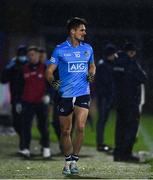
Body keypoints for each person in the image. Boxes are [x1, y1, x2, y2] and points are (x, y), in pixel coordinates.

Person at [46, 17, 96, 175]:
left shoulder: (88, 48)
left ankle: (74, 161)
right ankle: (67, 161)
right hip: (65, 95)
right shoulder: (60, 49)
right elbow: (49, 71)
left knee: (80, 127)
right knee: (65, 131)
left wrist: (91, 74)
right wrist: (54, 85)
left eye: (85, 30)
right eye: (82, 30)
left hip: (83, 93)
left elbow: (92, 65)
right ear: (72, 31)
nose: (84, 33)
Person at [113, 42, 147, 162]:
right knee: (131, 128)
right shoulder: (131, 63)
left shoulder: (116, 62)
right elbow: (143, 77)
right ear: (131, 52)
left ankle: (118, 153)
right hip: (131, 101)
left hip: (120, 101)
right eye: (134, 51)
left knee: (120, 128)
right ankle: (126, 154)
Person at [21, 46, 51, 158]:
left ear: (38, 55)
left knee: (43, 126)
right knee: (26, 126)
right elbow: (20, 86)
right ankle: (26, 148)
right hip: (27, 102)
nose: (31, 57)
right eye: (29, 55)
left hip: (40, 102)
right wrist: (19, 101)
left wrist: (48, 95)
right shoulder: (24, 69)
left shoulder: (45, 68)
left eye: (33, 54)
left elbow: (51, 84)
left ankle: (46, 147)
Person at [0, 45, 27, 150]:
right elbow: (3, 80)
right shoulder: (13, 66)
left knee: (25, 121)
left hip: (27, 97)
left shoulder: (29, 65)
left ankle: (25, 145)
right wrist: (9, 67)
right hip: (16, 98)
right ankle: (23, 141)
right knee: (16, 122)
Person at [95, 44, 117, 153]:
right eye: (114, 54)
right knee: (102, 120)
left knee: (103, 120)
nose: (115, 56)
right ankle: (100, 144)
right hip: (104, 97)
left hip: (105, 96)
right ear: (110, 54)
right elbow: (105, 83)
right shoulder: (103, 65)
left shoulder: (105, 63)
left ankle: (100, 143)